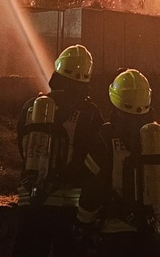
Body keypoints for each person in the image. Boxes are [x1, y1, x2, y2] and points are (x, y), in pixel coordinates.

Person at [12, 44, 104, 257]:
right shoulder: (91, 113)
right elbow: (97, 159)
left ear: (57, 71)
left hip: (32, 201)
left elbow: (23, 147)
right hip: (70, 206)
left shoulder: (32, 106)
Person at [75, 69, 160, 257]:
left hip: (114, 235)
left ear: (115, 99)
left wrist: (83, 224)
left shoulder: (105, 138)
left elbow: (92, 189)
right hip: (151, 235)